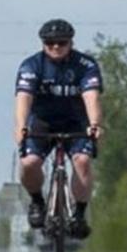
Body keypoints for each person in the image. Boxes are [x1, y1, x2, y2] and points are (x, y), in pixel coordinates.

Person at [14, 19, 103, 239]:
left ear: (70, 43)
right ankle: (37, 201)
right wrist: (21, 126)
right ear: (43, 43)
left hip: (76, 122)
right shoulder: (31, 66)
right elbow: (23, 98)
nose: (55, 47)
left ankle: (79, 214)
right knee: (29, 163)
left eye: (61, 43)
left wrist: (94, 125)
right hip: (42, 122)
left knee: (82, 162)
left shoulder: (85, 65)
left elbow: (91, 97)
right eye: (50, 43)